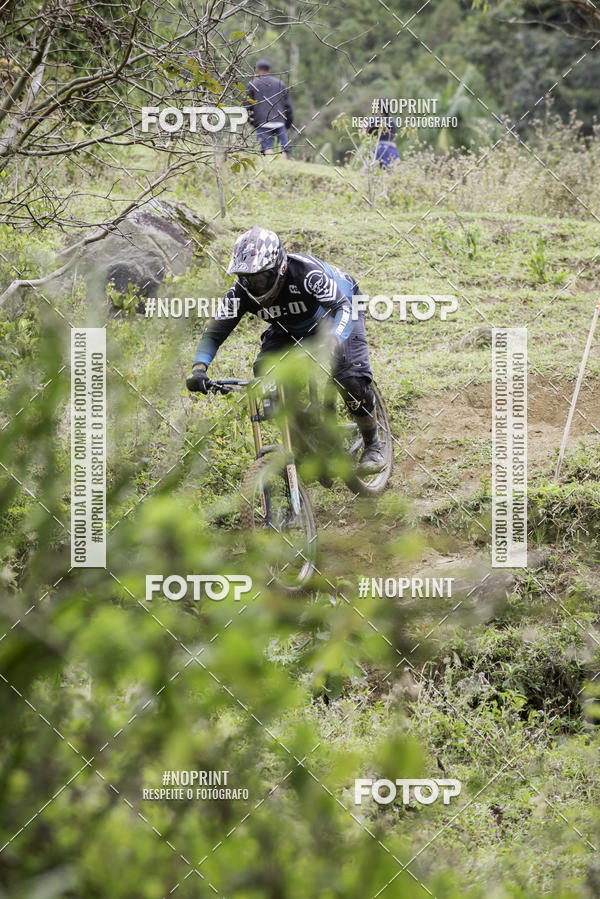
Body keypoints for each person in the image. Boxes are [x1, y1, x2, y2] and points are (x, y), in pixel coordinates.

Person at [186, 226, 385, 472]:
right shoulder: (239, 294)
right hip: (290, 325)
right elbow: (214, 333)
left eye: (260, 277)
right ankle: (305, 439)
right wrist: (199, 368)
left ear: (279, 267)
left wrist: (333, 339)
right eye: (246, 278)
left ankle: (373, 446)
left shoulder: (307, 275)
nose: (255, 285)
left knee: (349, 377)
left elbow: (343, 309)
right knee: (267, 378)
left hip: (337, 312)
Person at [245, 59, 293, 157]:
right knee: (283, 149)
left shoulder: (252, 84)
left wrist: (253, 122)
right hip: (280, 121)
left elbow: (247, 106)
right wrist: (287, 124)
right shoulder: (280, 84)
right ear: (269, 71)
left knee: (267, 148)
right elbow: (288, 106)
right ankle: (284, 169)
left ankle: (269, 168)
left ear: (257, 70)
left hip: (262, 123)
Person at [365, 100, 400, 168]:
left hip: (378, 152)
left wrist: (364, 129)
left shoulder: (374, 121)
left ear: (380, 109)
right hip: (392, 151)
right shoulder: (393, 122)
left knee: (370, 171)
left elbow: (366, 135)